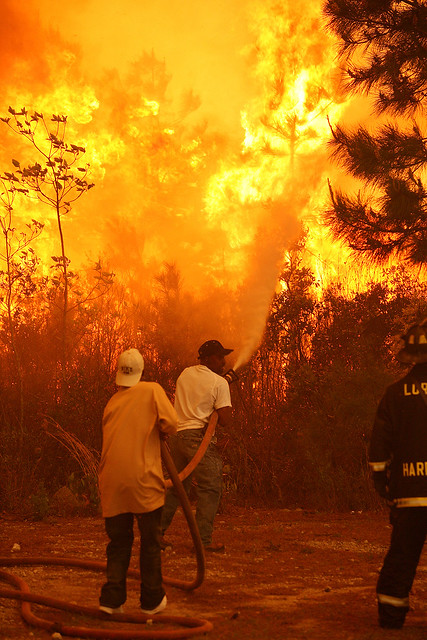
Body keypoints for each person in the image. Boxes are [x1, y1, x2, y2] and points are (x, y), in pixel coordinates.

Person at [98, 348, 178, 615]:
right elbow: (172, 423)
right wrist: (158, 427)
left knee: (119, 543)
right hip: (143, 480)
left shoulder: (111, 402)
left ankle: (111, 601)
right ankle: (152, 600)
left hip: (111, 482)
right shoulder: (152, 390)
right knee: (150, 542)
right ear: (142, 373)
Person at [369, 319, 427, 629]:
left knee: (402, 556)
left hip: (409, 492)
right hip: (409, 493)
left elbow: (379, 448)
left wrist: (383, 484)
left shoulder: (394, 394)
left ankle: (391, 615)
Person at [161, 339, 233, 552]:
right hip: (196, 440)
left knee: (177, 488)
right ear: (209, 358)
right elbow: (226, 420)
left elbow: (199, 397)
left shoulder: (185, 374)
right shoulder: (219, 383)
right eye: (220, 358)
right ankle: (203, 541)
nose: (223, 362)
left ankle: (156, 534)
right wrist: (225, 389)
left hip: (177, 436)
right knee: (211, 486)